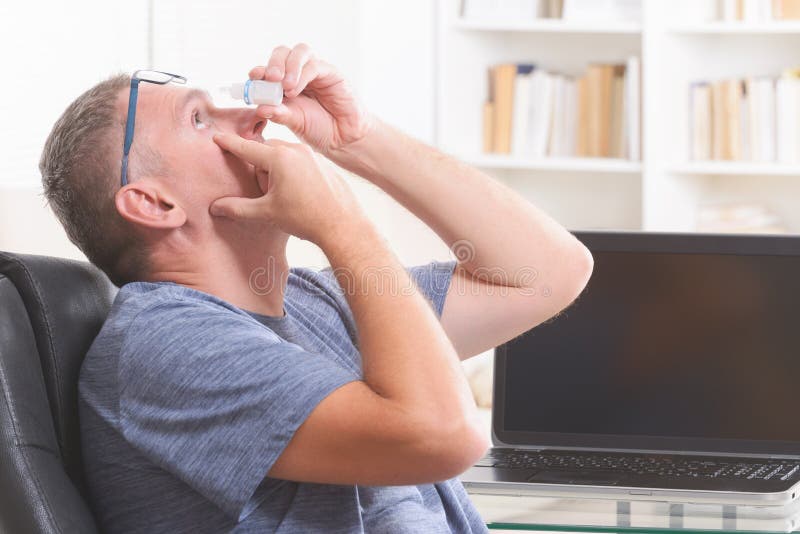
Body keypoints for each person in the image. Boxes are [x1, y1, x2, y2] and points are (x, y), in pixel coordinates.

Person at [39, 43, 593, 533]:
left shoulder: (315, 302)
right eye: (201, 120)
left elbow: (550, 273)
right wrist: (342, 224)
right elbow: (443, 437)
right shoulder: (165, 344)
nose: (254, 115)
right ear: (154, 203)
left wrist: (358, 138)